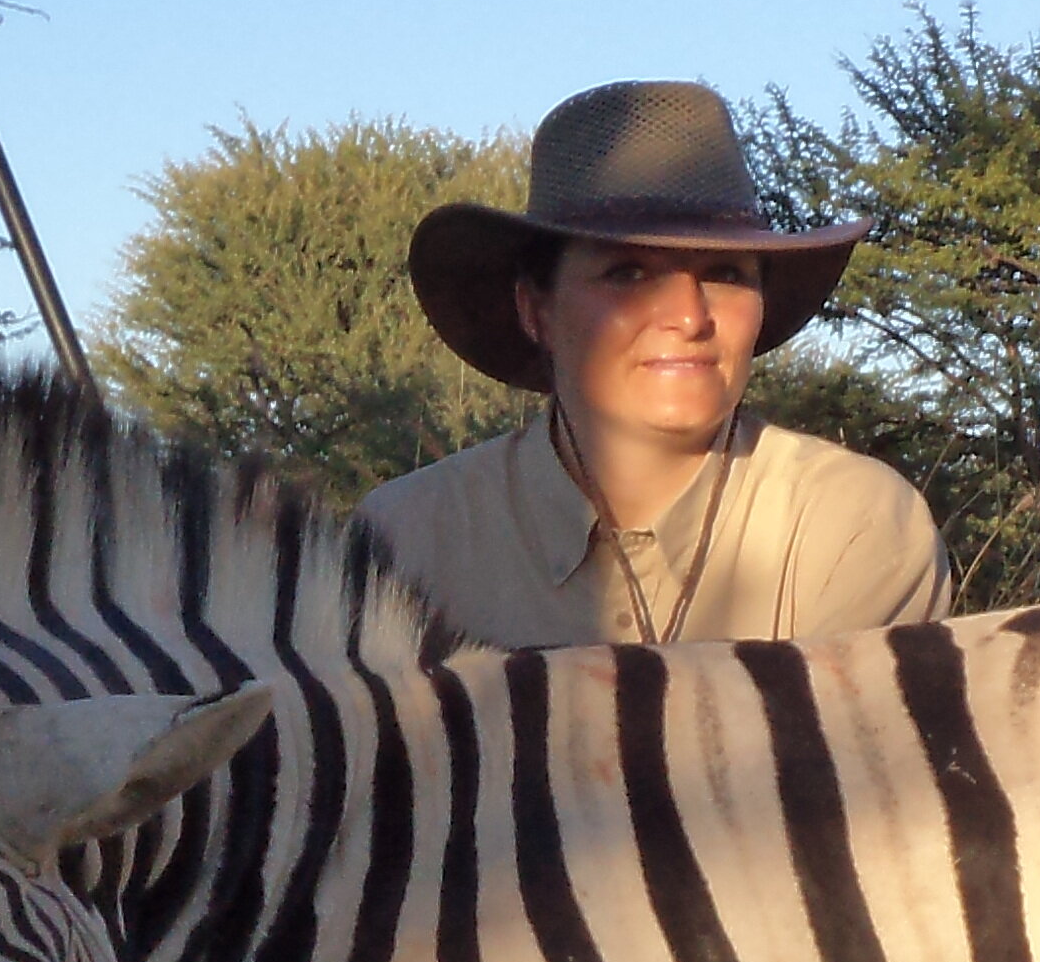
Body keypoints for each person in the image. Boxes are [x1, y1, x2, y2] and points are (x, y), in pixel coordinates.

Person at [358, 80, 949, 648]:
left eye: (725, 276)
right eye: (629, 274)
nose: (689, 318)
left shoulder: (850, 525)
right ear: (535, 308)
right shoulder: (403, 543)